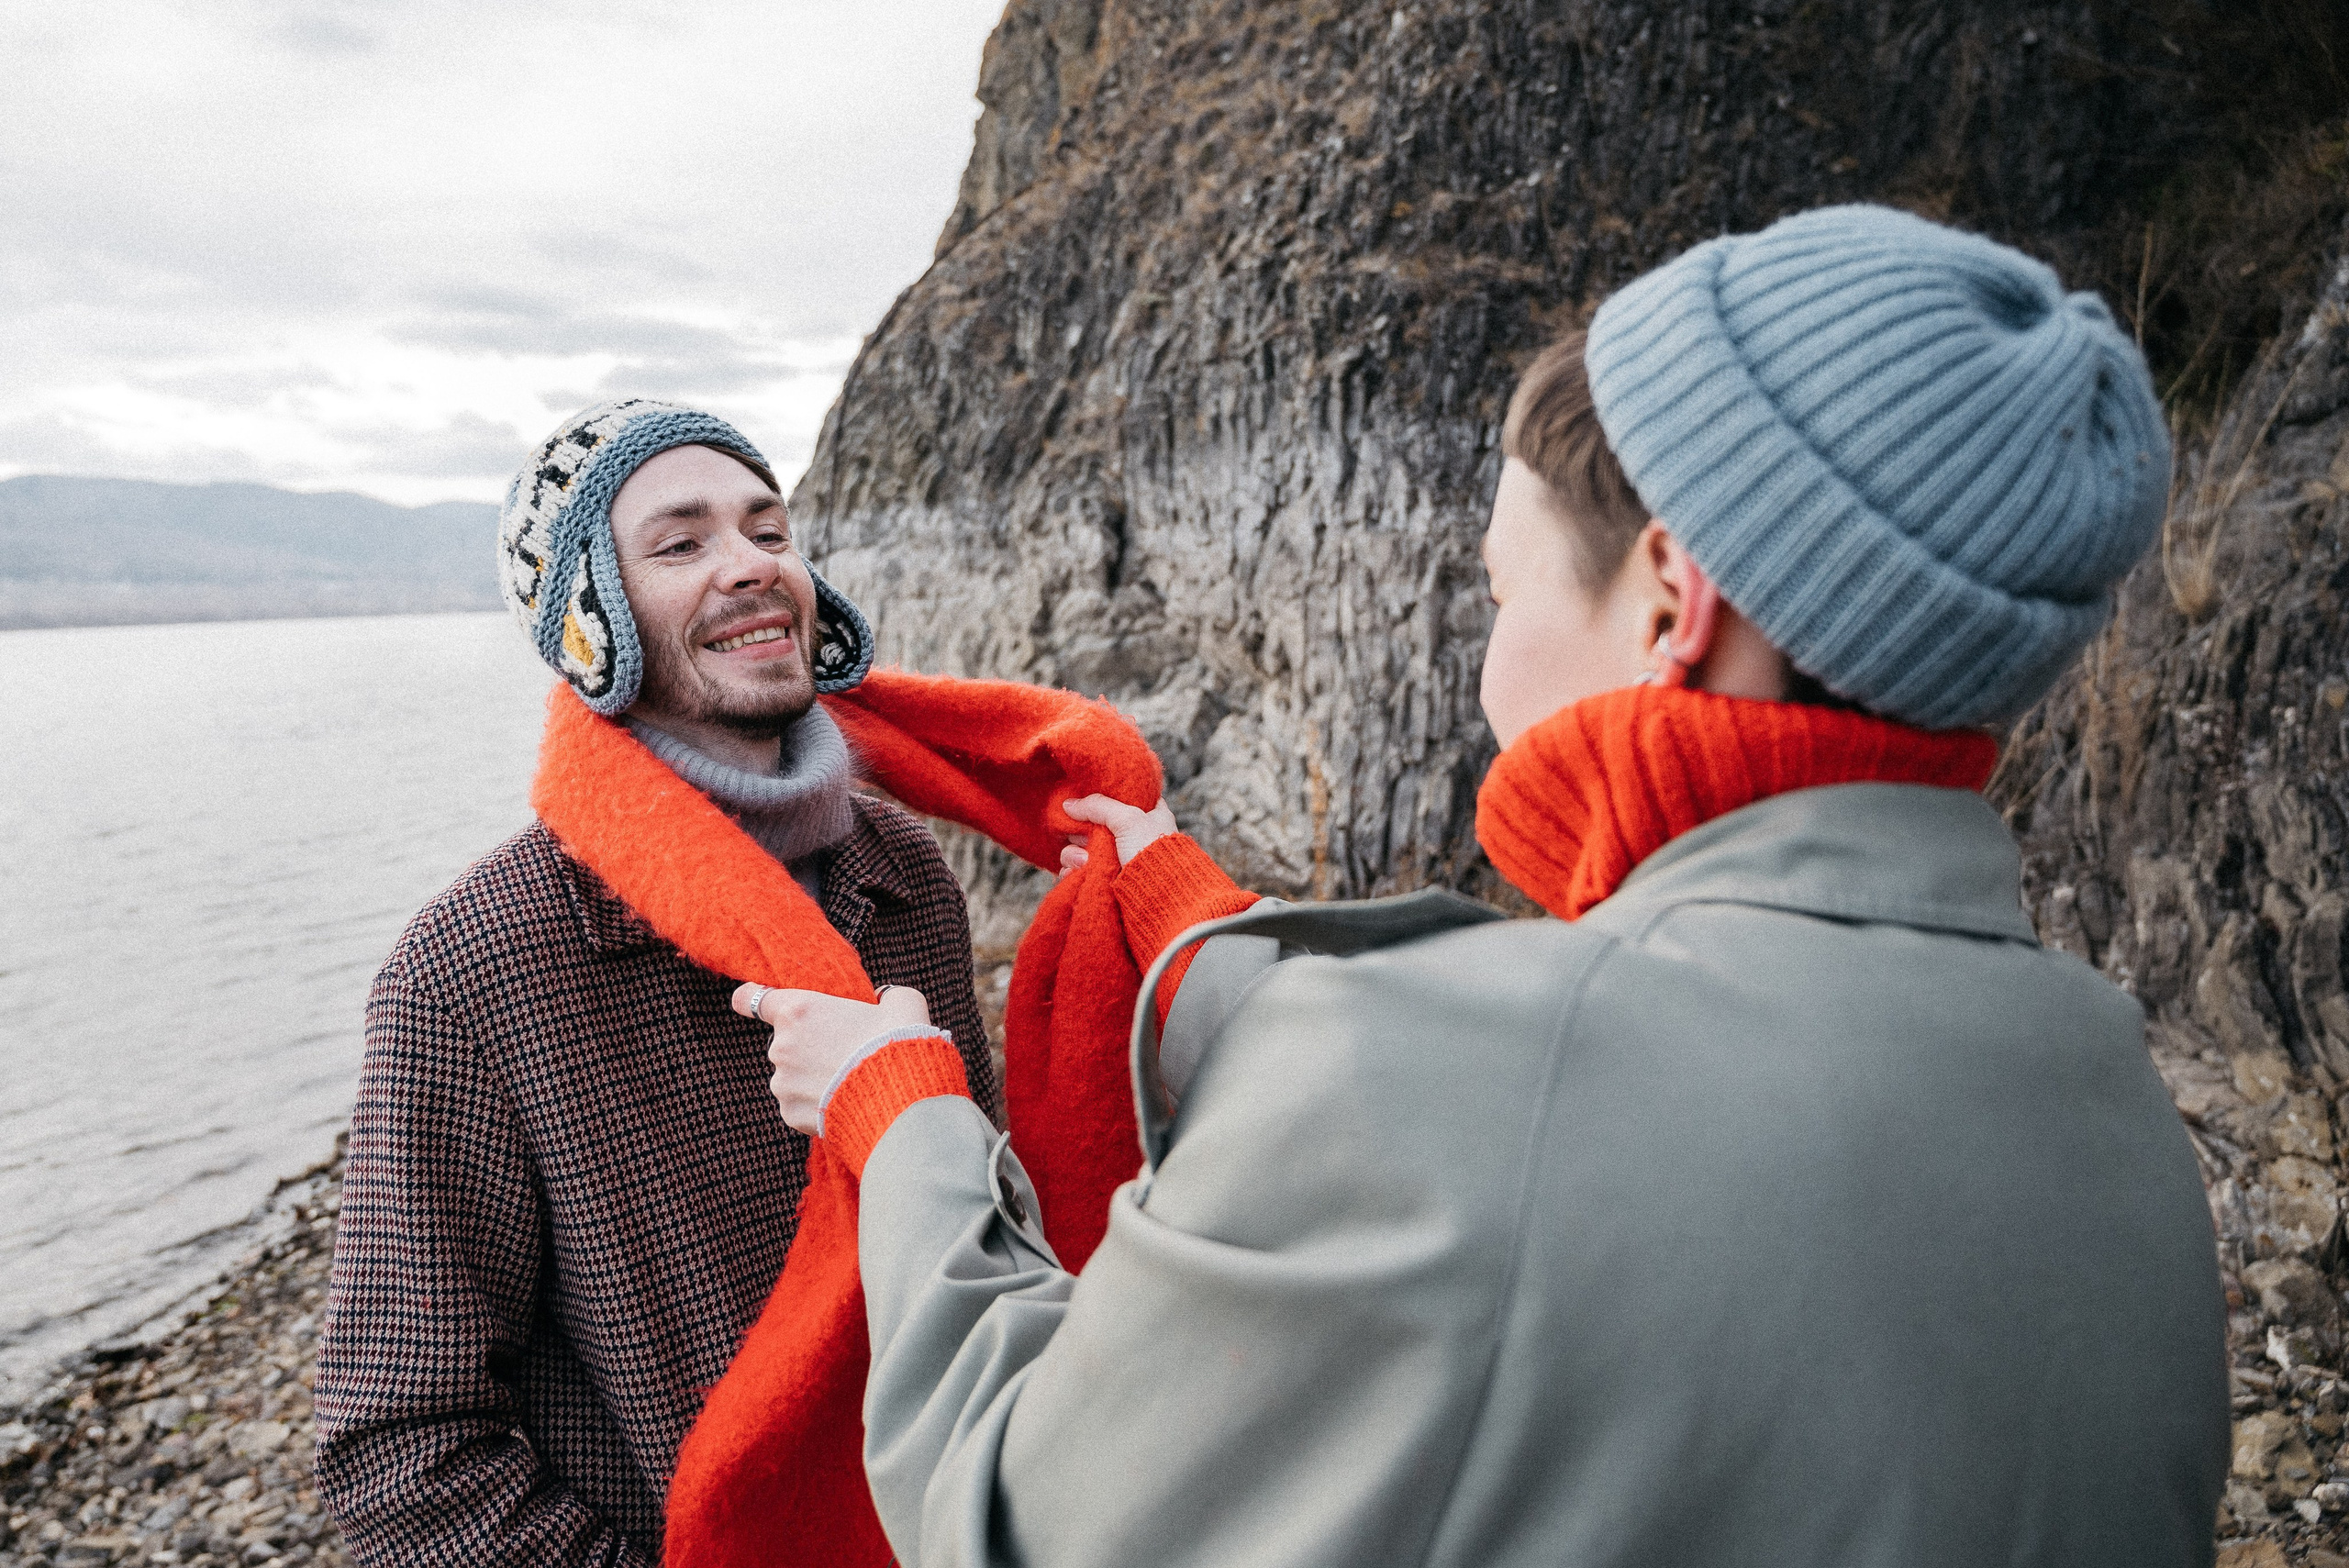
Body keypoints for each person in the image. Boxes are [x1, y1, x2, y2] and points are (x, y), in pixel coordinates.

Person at [744, 206, 2229, 1564]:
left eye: (1501, 586)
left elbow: (1013, 1520)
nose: (1485, 647)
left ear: (1670, 599)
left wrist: (915, 1126)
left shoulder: (1444, 1071)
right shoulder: (2108, 1093)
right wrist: (1216, 927)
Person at [312, 401, 996, 1565]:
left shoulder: (903, 875)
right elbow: (398, 1448)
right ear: (587, 620)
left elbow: (979, 1223)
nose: (751, 567)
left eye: (768, 530)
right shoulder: (478, 965)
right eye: (680, 544)